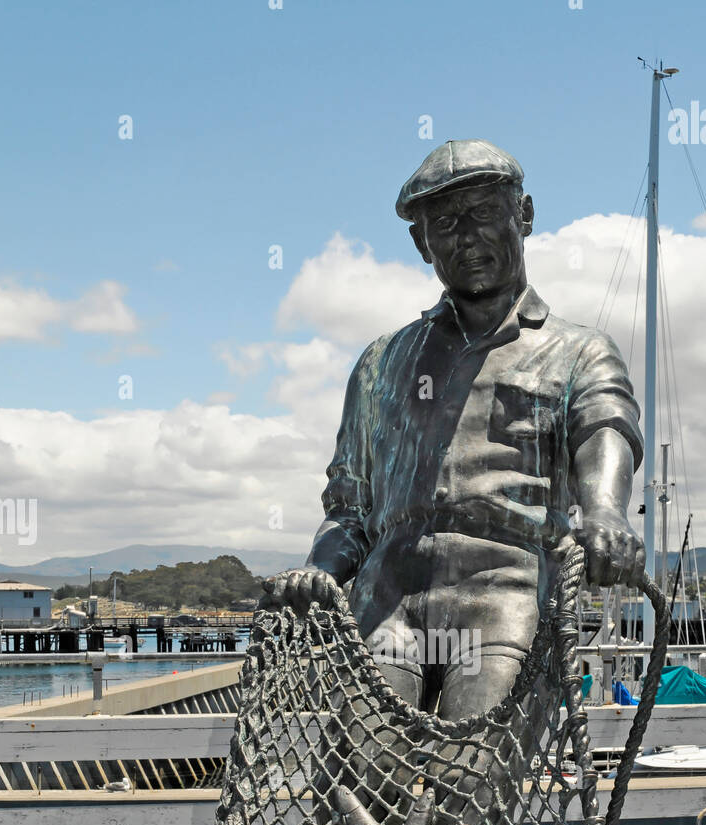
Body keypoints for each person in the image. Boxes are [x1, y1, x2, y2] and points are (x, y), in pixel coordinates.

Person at [265, 139, 645, 719]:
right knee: (365, 773)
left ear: (524, 214)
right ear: (422, 243)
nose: (466, 236)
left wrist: (607, 513)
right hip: (388, 598)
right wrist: (317, 575)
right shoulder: (381, 363)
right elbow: (348, 506)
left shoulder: (579, 351)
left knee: (472, 779)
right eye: (443, 223)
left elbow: (605, 423)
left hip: (507, 591)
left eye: (485, 213)